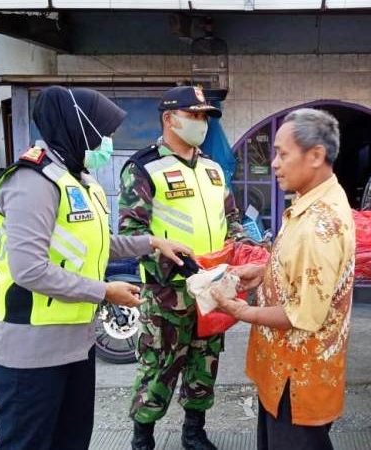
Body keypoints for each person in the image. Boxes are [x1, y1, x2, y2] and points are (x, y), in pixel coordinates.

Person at [0, 86, 191, 450]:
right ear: (80, 129)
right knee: (27, 443)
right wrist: (105, 292)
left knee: (72, 440)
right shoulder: (33, 183)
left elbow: (96, 245)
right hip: (30, 349)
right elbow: (28, 269)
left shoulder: (78, 180)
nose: (109, 141)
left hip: (75, 343)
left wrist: (153, 242)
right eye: (104, 132)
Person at [211, 108, 356, 450]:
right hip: (286, 374)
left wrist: (240, 311)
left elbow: (301, 315)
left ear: (316, 155)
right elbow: (308, 276)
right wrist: (262, 274)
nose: (274, 162)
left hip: (298, 379)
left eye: (282, 153)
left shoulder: (318, 226)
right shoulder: (311, 203)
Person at [118, 86, 244, 450]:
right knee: (159, 368)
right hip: (167, 294)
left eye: (205, 117)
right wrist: (174, 265)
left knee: (204, 364)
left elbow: (231, 219)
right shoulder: (144, 167)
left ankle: (194, 433)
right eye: (194, 115)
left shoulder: (213, 169)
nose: (201, 123)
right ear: (169, 119)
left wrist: (245, 247)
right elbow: (131, 234)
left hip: (213, 288)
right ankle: (143, 439)